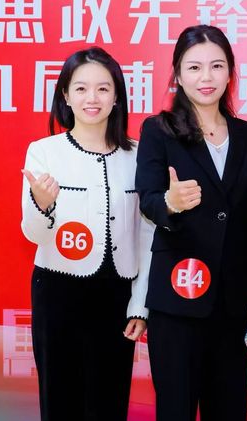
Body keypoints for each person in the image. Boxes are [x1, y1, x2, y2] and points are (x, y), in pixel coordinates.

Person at [135, 24, 247, 421]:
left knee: (229, 410)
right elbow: (148, 199)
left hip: (236, 301)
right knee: (176, 409)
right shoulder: (159, 131)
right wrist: (170, 202)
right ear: (178, 75)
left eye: (217, 66)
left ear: (230, 72)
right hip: (178, 294)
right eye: (194, 67)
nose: (206, 77)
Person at [20, 47, 154, 421]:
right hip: (58, 291)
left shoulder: (139, 156)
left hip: (117, 296)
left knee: (109, 403)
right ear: (65, 95)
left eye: (102, 88)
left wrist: (140, 304)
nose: (91, 98)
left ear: (117, 97)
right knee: (59, 400)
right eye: (80, 89)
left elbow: (147, 235)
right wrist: (42, 204)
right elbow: (33, 234)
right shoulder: (44, 152)